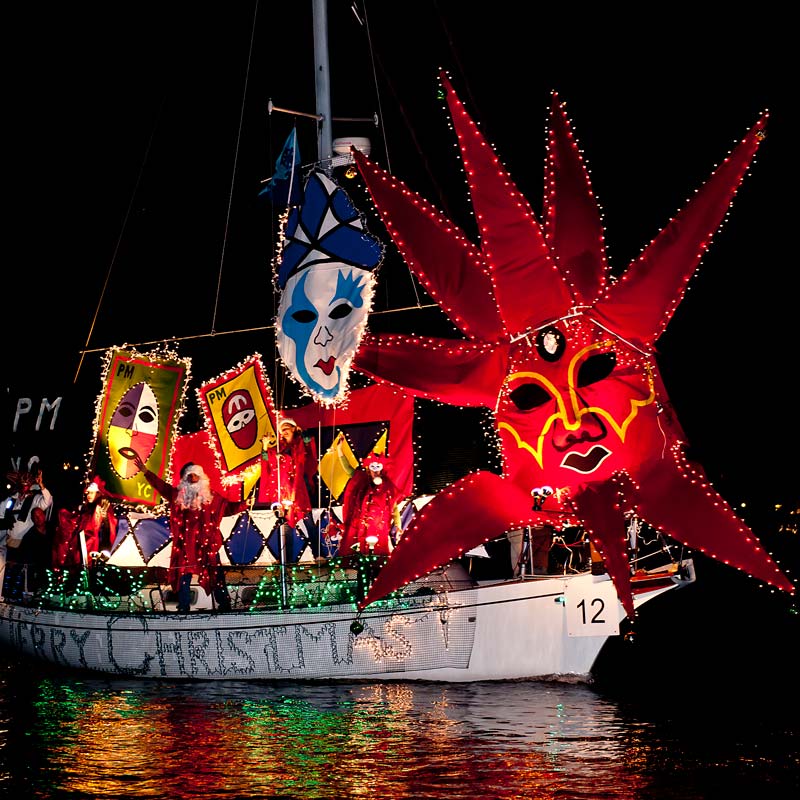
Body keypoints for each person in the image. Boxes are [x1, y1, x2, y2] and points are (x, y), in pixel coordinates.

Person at [132, 453, 247, 613]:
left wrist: (244, 504)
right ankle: (183, 609)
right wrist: (145, 471)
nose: (193, 479)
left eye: (195, 476)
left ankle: (224, 607)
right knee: (183, 578)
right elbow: (161, 486)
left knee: (215, 575)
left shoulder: (211, 497)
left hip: (206, 545)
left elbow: (228, 508)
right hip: (185, 546)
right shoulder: (177, 496)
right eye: (189, 476)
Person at [1, 469, 53, 600]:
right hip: (8, 542)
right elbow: (1, 512)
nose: (23, 487)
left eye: (26, 484)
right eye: (21, 484)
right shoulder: (11, 499)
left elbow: (47, 501)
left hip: (25, 543)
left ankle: (26, 598)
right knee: (8, 573)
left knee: (24, 573)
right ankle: (7, 598)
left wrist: (41, 485)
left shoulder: (34, 499)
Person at [339, 448, 402, 556]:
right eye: (373, 467)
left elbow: (394, 507)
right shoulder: (361, 479)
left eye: (378, 467)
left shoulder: (387, 486)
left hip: (378, 527)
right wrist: (340, 450)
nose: (376, 470)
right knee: (354, 552)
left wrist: (398, 525)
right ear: (368, 468)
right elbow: (348, 469)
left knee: (378, 554)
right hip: (359, 525)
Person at [259, 418, 317, 528]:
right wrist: (265, 445)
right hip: (283, 492)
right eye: (281, 430)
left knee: (309, 523)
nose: (284, 431)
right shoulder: (279, 449)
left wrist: (303, 434)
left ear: (293, 428)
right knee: (286, 528)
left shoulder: (301, 443)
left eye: (286, 428)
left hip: (299, 490)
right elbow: (266, 461)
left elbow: (309, 448)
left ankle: (317, 545)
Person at [52, 477, 119, 569]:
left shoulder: (101, 507)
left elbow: (106, 529)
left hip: (95, 545)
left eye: (91, 493)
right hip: (85, 543)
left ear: (98, 493)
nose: (88, 495)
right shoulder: (88, 508)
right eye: (87, 493)